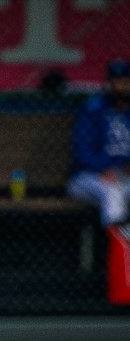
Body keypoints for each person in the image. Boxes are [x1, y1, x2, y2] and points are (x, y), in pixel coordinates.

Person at [68, 58, 130, 226]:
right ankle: (120, 250)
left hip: (124, 177)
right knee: (113, 193)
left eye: (127, 81)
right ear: (109, 84)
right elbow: (82, 153)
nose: (123, 86)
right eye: (119, 81)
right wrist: (103, 168)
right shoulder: (93, 109)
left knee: (119, 188)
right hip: (89, 177)